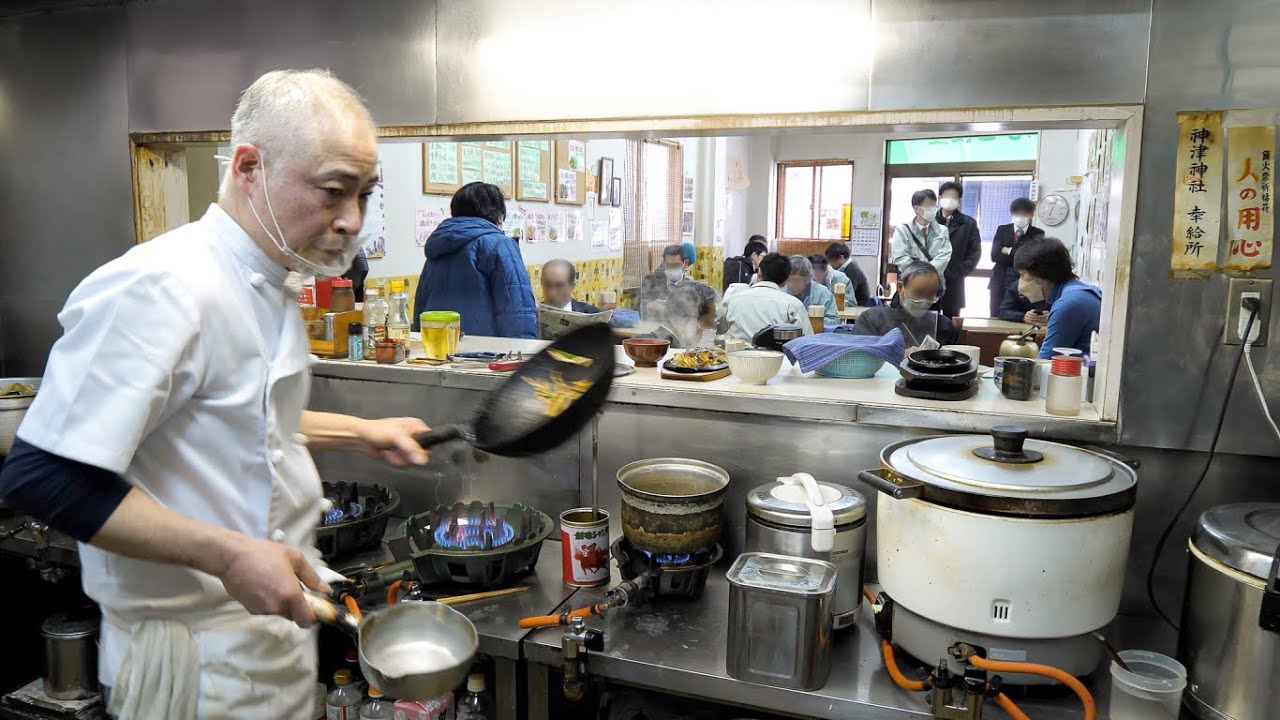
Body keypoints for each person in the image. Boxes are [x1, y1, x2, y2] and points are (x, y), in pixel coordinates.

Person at [0, 69, 432, 718]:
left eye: (365, 195)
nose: (352, 221)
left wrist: (361, 433)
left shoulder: (272, 274)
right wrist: (230, 556)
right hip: (194, 664)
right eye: (333, 192)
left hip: (268, 642)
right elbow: (41, 475)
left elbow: (234, 415)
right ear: (250, 167)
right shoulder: (163, 285)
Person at [412, 182, 537, 338]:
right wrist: (524, 351)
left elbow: (421, 304)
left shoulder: (438, 245)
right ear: (496, 212)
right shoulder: (499, 244)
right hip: (485, 353)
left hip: (438, 347)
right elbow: (517, 310)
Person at [1014, 236, 1102, 359]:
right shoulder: (1081, 292)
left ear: (1041, 273)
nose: (1021, 281)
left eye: (1023, 275)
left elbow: (1045, 362)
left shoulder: (1068, 304)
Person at [853, 261, 960, 352]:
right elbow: (859, 356)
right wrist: (896, 355)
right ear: (900, 287)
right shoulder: (872, 319)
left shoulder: (944, 327)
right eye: (918, 293)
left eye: (930, 295)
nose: (924, 301)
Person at [718, 252, 814, 342]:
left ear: (759, 272)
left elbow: (716, 329)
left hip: (736, 357)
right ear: (786, 281)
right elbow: (807, 341)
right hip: (778, 358)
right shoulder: (793, 305)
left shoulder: (732, 299)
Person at [989, 197, 1044, 317]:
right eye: (1017, 213)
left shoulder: (1037, 233)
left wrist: (1008, 250)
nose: (1020, 217)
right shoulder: (1003, 230)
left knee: (1021, 315)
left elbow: (1031, 258)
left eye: (1024, 214)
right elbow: (994, 256)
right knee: (996, 314)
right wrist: (1020, 254)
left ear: (1031, 214)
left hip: (1024, 281)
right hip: (1000, 280)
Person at [935, 181, 982, 318]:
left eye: (953, 196)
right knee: (929, 320)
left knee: (951, 320)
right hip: (930, 278)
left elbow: (975, 253)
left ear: (959, 200)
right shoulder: (930, 221)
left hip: (954, 280)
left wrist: (959, 271)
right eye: (946, 196)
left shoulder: (968, 223)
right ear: (940, 198)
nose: (949, 199)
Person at [891, 189, 951, 279]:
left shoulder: (942, 231)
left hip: (933, 281)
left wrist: (928, 273)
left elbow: (944, 256)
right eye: (928, 207)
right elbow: (900, 257)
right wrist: (918, 274)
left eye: (934, 206)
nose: (932, 210)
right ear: (916, 209)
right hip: (910, 281)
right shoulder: (902, 230)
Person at [651, 282, 719, 348]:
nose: (713, 326)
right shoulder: (652, 352)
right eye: (708, 323)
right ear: (686, 320)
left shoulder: (679, 349)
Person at [640, 244, 692, 318]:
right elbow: (638, 310)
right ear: (664, 263)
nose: (672, 269)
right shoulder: (651, 282)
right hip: (653, 326)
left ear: (685, 264)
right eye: (669, 265)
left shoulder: (692, 287)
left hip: (680, 328)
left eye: (676, 265)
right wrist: (648, 306)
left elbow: (696, 315)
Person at [786, 255, 839, 324]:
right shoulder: (781, 291)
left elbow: (834, 320)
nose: (790, 284)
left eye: (796, 280)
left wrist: (811, 321)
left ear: (807, 279)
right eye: (788, 279)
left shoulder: (822, 293)